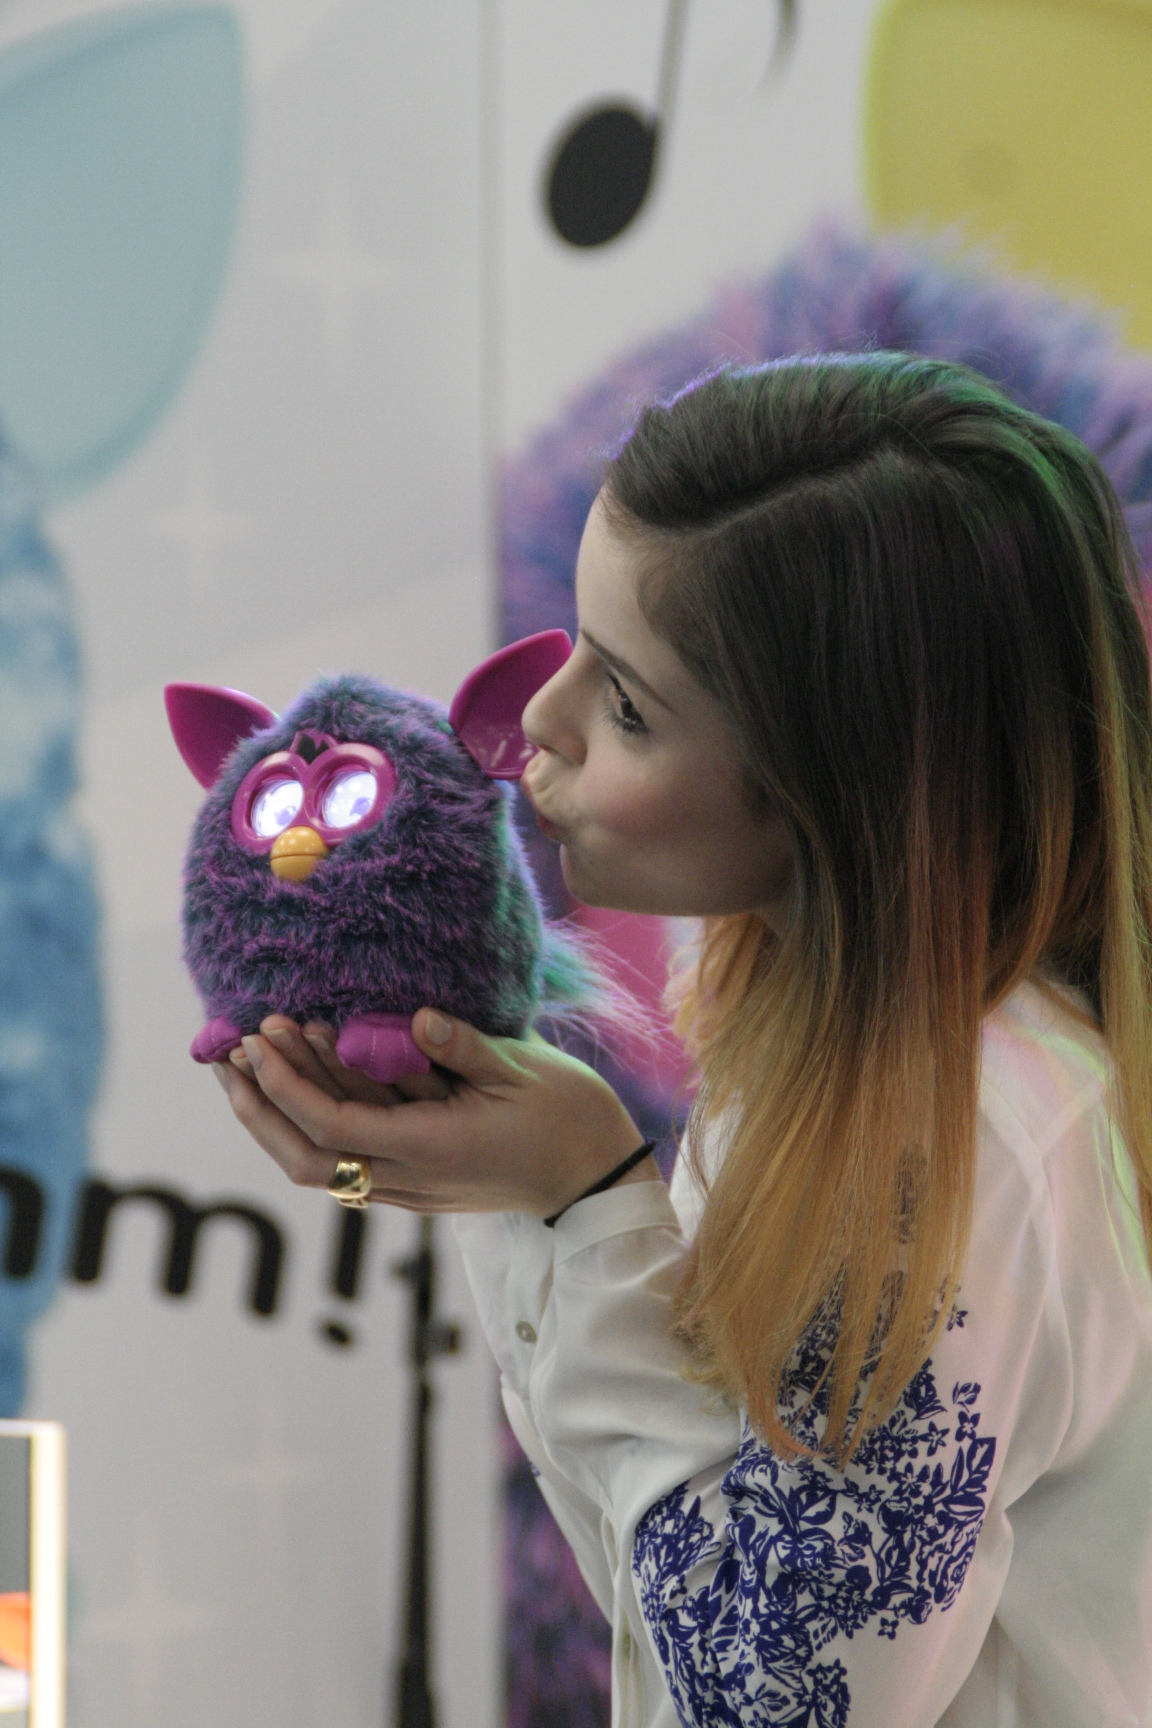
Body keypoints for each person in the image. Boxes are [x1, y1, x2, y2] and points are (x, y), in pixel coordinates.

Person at [213, 354, 1152, 1727]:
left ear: (838, 789)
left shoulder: (969, 1140)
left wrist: (588, 1205)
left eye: (630, 706)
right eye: (577, 645)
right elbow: (669, 1593)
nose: (541, 722)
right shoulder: (832, 1053)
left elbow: (766, 1699)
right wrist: (519, 1196)